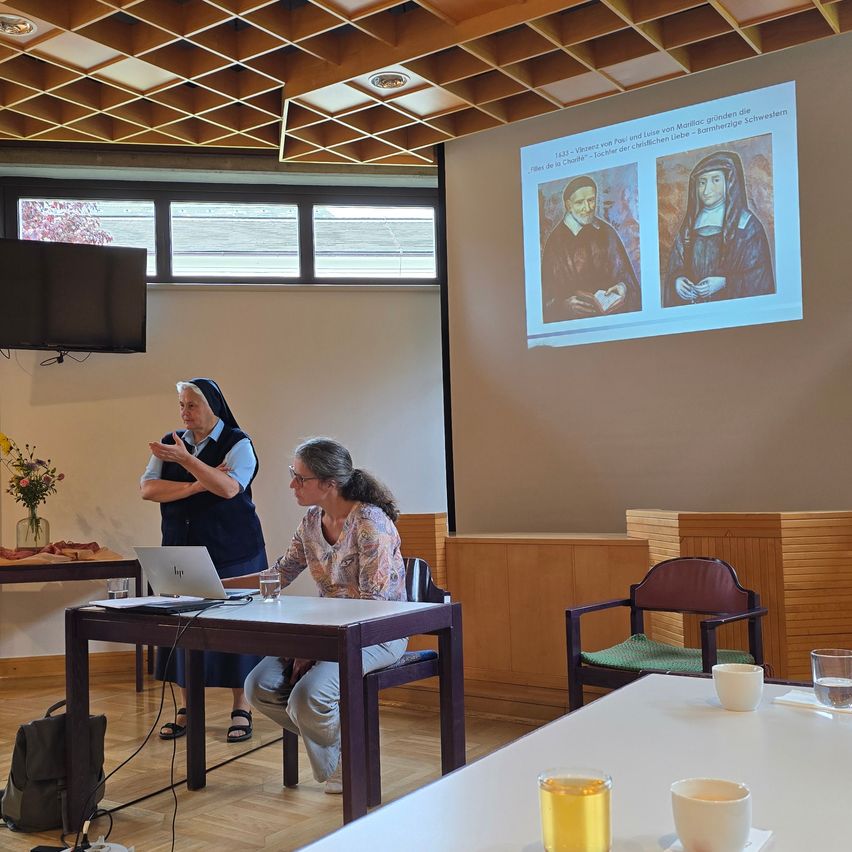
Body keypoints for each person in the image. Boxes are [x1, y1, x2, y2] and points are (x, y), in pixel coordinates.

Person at [244, 437, 407, 794]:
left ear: (329, 483)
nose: (292, 485)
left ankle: (347, 767)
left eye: (299, 477)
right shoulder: (311, 521)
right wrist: (213, 584)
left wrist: (315, 650)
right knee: (258, 687)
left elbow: (372, 606)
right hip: (327, 634)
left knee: (308, 698)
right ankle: (344, 748)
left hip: (379, 633)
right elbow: (281, 572)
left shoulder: (370, 525)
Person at [140, 378, 267, 743]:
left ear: (212, 404)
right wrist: (197, 482)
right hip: (181, 546)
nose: (184, 412)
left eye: (191, 405)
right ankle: (186, 706)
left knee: (237, 630)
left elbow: (229, 488)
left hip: (234, 550)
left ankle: (241, 706)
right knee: (181, 628)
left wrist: (186, 464)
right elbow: (148, 489)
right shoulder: (171, 443)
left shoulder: (238, 443)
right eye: (181, 405)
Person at [663, 150, 774, 306]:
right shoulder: (689, 227)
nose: (707, 190)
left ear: (730, 182)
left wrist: (725, 283)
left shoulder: (747, 226)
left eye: (715, 180)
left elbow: (759, 278)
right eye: (702, 182)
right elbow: (677, 265)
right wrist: (678, 280)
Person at [541, 174, 641, 323]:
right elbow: (545, 299)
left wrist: (623, 288)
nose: (587, 208)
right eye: (580, 202)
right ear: (568, 205)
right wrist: (563, 306)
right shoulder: (556, 242)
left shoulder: (607, 232)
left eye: (591, 200)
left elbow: (626, 277)